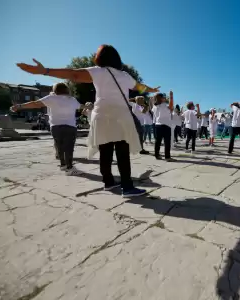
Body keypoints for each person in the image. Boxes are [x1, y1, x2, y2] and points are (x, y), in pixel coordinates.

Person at [16, 45, 160, 197]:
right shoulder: (125, 75)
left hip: (101, 114)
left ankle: (108, 182)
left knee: (105, 149)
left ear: (101, 57)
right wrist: (152, 90)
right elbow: (140, 87)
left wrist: (45, 71)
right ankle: (127, 187)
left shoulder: (98, 71)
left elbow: (74, 75)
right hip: (119, 115)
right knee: (122, 151)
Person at [10, 83, 81, 175]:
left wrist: (19, 106)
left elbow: (35, 104)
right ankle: (70, 168)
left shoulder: (51, 98)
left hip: (55, 127)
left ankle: (63, 165)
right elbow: (81, 106)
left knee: (59, 146)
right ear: (67, 90)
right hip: (70, 126)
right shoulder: (72, 99)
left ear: (55, 90)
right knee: (68, 148)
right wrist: (90, 106)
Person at [152, 91, 174, 161]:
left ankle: (157, 155)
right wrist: (171, 96)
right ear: (162, 98)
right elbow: (171, 107)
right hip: (166, 125)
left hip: (158, 125)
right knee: (167, 142)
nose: (165, 98)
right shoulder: (164, 105)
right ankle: (167, 157)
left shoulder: (155, 106)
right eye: (164, 97)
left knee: (158, 141)